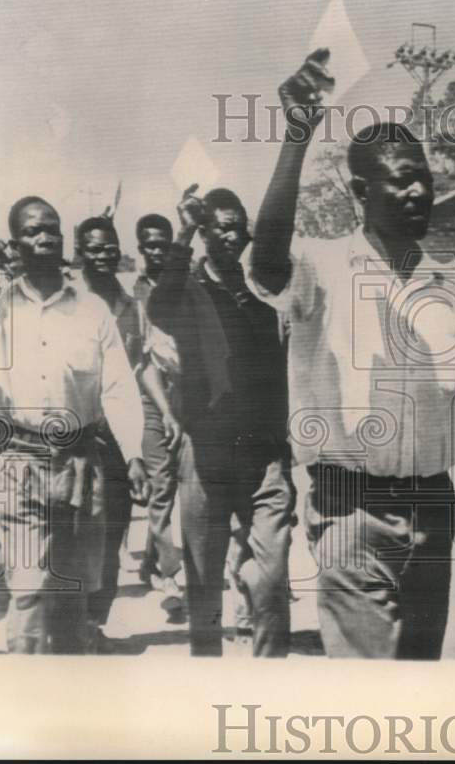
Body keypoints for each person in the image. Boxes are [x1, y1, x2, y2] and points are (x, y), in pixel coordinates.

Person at [247, 49, 455, 660]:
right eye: (400, 179)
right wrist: (298, 137)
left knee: (416, 684)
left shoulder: (454, 283)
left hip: (434, 511)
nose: (417, 191)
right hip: (350, 510)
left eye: (425, 178)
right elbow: (266, 264)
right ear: (361, 191)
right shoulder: (322, 266)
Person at [0, 196, 149, 653]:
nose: (43, 237)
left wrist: (135, 452)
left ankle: (69, 700)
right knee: (27, 589)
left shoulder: (92, 311)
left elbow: (119, 387)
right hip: (19, 461)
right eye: (31, 231)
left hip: (82, 466)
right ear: (15, 243)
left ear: (63, 239)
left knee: (72, 595)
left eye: (51, 228)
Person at [146, 185, 295, 658]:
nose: (235, 237)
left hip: (264, 457)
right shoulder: (187, 290)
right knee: (205, 583)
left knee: (271, 579)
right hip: (207, 455)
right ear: (207, 232)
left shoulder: (265, 292)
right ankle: (206, 675)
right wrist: (183, 230)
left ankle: (271, 674)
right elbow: (159, 308)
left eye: (240, 227)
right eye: (224, 228)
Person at [76, 216, 182, 647]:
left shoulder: (129, 305)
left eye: (109, 248)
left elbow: (140, 368)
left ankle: (92, 624)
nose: (102, 256)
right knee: (74, 530)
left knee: (113, 529)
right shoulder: (70, 299)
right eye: (93, 248)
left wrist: (162, 413)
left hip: (117, 435)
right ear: (80, 251)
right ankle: (63, 622)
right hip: (72, 437)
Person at [133, 213, 186, 609]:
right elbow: (140, 359)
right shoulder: (134, 293)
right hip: (150, 397)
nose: (157, 252)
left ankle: (152, 560)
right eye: (149, 245)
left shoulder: (188, 285)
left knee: (192, 486)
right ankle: (170, 575)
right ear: (141, 249)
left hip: (188, 395)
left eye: (163, 245)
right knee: (161, 485)